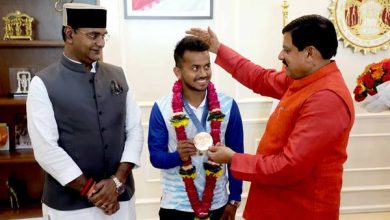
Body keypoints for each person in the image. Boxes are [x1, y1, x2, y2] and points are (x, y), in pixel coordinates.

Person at [187, 14, 355, 220]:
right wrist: (218, 48)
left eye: (287, 50)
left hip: (299, 209)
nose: (280, 56)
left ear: (309, 53)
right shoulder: (304, 79)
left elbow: (289, 167)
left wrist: (233, 159)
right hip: (275, 202)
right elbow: (259, 78)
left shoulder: (327, 99)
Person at [26, 3, 143, 220]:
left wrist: (117, 181)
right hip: (69, 207)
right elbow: (46, 149)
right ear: (69, 34)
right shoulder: (42, 83)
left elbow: (134, 130)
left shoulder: (119, 75)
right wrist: (92, 190)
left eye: (103, 36)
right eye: (93, 35)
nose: (100, 43)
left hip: (120, 200)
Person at [148, 36, 244, 220]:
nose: (203, 74)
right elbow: (156, 158)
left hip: (218, 203)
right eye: (195, 68)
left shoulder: (228, 105)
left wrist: (234, 200)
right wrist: (177, 156)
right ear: (178, 71)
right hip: (176, 206)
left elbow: (236, 156)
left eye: (207, 66)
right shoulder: (162, 108)